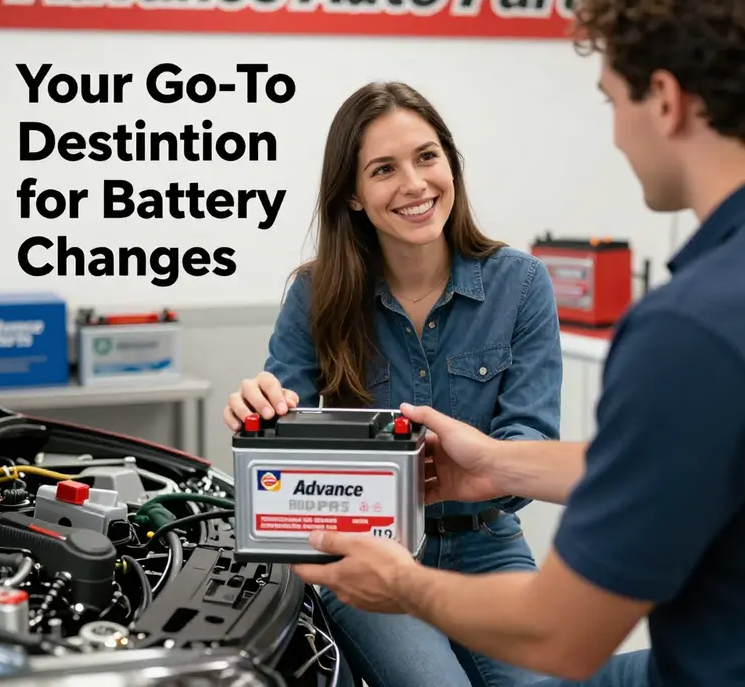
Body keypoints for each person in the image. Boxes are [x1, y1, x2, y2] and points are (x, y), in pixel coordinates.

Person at [289, 0, 745, 687]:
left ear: (668, 102)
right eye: (383, 170)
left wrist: (402, 580)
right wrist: (497, 463)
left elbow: (563, 635)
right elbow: (665, 466)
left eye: (612, 101)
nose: (614, 134)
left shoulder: (691, 328)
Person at [223, 80, 563, 686]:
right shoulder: (315, 294)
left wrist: (469, 465)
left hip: (487, 547)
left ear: (450, 164)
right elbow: (282, 424)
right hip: (366, 555)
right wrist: (260, 410)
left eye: (427, 157)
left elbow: (531, 438)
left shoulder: (522, 284)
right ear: (352, 196)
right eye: (383, 169)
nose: (414, 184)